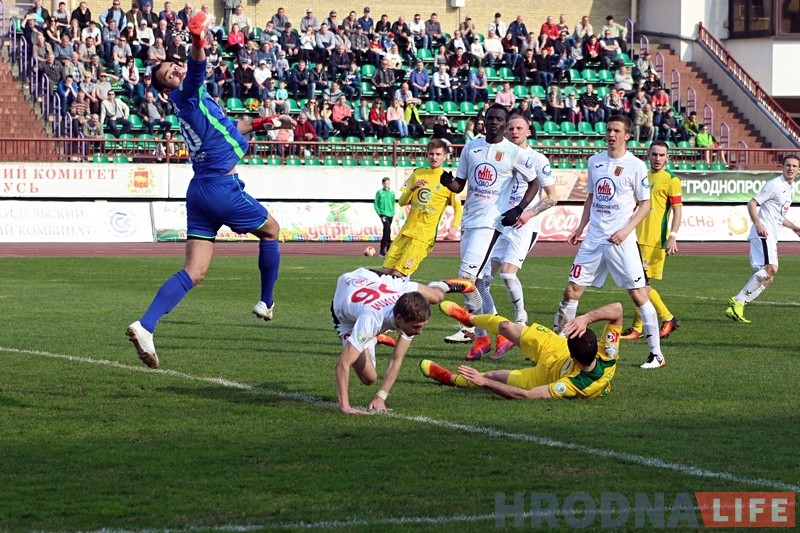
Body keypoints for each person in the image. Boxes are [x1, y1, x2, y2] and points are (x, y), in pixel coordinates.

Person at [126, 11, 292, 369]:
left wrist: (271, 122)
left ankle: (146, 324)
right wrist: (198, 38)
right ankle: (266, 301)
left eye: (173, 66)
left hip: (199, 190)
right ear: (167, 85)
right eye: (167, 73)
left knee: (195, 271)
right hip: (219, 186)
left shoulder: (196, 102)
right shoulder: (187, 93)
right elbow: (197, 67)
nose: (175, 70)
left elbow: (236, 127)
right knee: (272, 230)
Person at [553, 115, 667, 369]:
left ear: (627, 135)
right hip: (594, 240)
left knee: (638, 295)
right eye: (608, 129)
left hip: (621, 242)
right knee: (571, 290)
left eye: (617, 130)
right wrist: (580, 227)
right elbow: (591, 198)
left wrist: (626, 231)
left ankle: (656, 354)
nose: (611, 134)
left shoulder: (636, 166)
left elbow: (645, 205)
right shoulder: (595, 162)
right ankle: (560, 345)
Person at [439, 104, 542, 354]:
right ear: (483, 120)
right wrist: (448, 183)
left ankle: (480, 331)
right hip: (469, 221)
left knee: (466, 279)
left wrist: (519, 209)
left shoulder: (512, 152)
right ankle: (490, 336)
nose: (494, 122)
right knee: (478, 282)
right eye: (490, 118)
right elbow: (460, 184)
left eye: (499, 120)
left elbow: (534, 182)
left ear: (505, 124)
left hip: (491, 223)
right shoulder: (471, 148)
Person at [470, 115, 557, 360]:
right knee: (480, 280)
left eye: (519, 128)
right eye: (510, 127)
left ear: (529, 131)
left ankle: (520, 317)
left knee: (508, 274)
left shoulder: (538, 159)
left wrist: (528, 213)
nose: (514, 131)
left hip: (523, 226)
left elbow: (552, 196)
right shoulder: (500, 153)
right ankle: (501, 327)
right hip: (500, 223)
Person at [333, 268, 475, 415]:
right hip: (346, 305)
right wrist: (345, 406)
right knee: (369, 378)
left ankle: (443, 285)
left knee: (437, 296)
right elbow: (342, 365)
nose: (420, 332)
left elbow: (397, 359)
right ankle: (373, 337)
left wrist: (381, 397)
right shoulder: (370, 319)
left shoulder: (409, 311)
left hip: (380, 283)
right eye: (416, 327)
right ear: (400, 319)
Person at [422, 300, 623, 400]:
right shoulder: (608, 354)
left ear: (573, 356)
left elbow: (525, 395)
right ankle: (469, 319)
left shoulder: (574, 385)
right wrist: (585, 319)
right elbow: (618, 309)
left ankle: (449, 378)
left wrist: (484, 382)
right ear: (597, 345)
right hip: (555, 347)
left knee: (492, 375)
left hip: (544, 375)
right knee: (507, 327)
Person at [725, 155, 800, 323]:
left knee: (768, 279)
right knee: (772, 268)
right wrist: (758, 224)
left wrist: (794, 227)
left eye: (794, 166)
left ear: (798, 169)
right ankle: (737, 300)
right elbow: (751, 203)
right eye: (788, 165)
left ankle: (737, 307)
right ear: (782, 167)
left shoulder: (791, 187)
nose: (791, 168)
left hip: (771, 234)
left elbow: (779, 216)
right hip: (763, 233)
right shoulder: (775, 185)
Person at [620, 141, 683, 341]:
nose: (657, 158)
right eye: (654, 154)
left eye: (661, 155)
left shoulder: (671, 180)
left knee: (641, 284)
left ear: (668, 157)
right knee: (637, 283)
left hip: (654, 240)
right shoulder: (643, 176)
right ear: (648, 155)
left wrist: (672, 236)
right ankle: (638, 327)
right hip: (635, 237)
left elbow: (677, 210)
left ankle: (667, 317)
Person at [380, 139, 462, 277]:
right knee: (385, 274)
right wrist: (411, 189)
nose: (434, 157)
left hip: (423, 237)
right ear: (427, 154)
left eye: (438, 154)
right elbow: (401, 202)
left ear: (445, 156)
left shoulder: (448, 181)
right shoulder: (417, 173)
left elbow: (458, 208)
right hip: (406, 232)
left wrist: (454, 227)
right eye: (431, 154)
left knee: (398, 275)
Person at [374, 177, 396, 256]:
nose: (386, 185)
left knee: (386, 232)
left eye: (388, 183)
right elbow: (376, 204)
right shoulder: (379, 192)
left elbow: (393, 203)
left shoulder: (392, 192)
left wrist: (393, 212)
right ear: (382, 184)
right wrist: (380, 213)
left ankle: (383, 251)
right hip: (383, 214)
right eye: (385, 183)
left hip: (390, 214)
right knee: (387, 229)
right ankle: (387, 249)